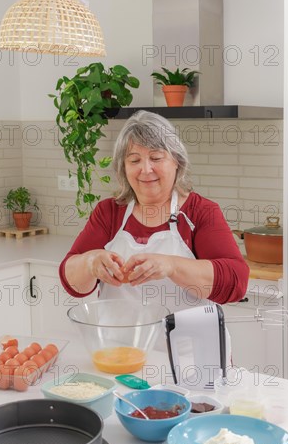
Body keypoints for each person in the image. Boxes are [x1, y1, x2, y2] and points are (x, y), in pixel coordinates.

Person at [60, 110, 249, 314]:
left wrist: (171, 266)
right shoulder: (109, 213)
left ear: (176, 161)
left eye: (156, 158)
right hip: (123, 345)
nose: (146, 169)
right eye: (134, 160)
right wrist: (90, 263)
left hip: (188, 344)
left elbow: (236, 282)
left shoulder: (200, 212)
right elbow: (73, 283)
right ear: (123, 168)